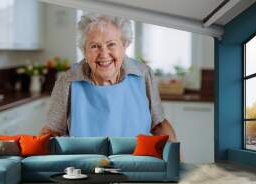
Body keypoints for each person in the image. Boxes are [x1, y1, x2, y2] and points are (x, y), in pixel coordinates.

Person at [41, 13, 177, 142]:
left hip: (135, 163)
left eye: (111, 44)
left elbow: (158, 125)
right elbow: (52, 131)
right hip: (85, 164)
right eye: (94, 46)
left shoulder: (143, 74)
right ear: (84, 51)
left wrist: (175, 160)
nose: (104, 54)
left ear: (124, 46)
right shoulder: (68, 80)